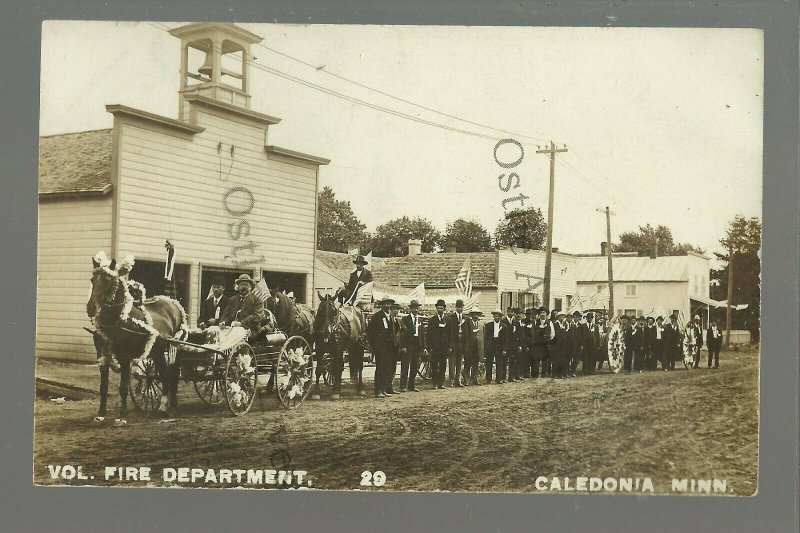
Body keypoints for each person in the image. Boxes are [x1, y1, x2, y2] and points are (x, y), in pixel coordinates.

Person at [367, 298, 399, 397]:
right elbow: (370, 332)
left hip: (390, 347)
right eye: (385, 304)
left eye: (389, 304)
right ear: (382, 305)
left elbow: (395, 330)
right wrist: (374, 346)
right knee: (380, 368)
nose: (387, 306)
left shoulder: (392, 317)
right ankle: (378, 391)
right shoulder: (377, 317)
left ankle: (384, 389)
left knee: (388, 368)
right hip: (380, 347)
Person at [399, 300, 426, 392]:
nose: (415, 310)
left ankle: (411, 385)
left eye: (417, 308)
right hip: (408, 345)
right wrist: (403, 346)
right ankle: (402, 386)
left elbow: (422, 335)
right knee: (405, 366)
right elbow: (402, 334)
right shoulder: (405, 320)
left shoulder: (420, 320)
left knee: (415, 366)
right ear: (410, 309)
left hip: (417, 346)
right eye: (414, 308)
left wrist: (424, 347)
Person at [426, 299, 451, 390]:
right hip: (435, 347)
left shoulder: (448, 320)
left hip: (444, 347)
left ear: (444, 309)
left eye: (441, 308)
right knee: (434, 366)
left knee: (443, 365)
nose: (440, 310)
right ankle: (435, 383)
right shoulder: (432, 320)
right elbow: (428, 335)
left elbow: (450, 335)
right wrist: (429, 347)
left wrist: (449, 347)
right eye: (438, 308)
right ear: (436, 309)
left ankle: (441, 383)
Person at [448, 299, 470, 387]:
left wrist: (466, 346)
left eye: (461, 307)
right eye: (458, 307)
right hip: (453, 344)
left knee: (459, 363)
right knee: (452, 363)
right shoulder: (451, 318)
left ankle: (458, 381)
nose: (460, 309)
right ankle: (451, 381)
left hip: (462, 345)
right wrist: (450, 345)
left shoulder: (466, 319)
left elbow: (468, 333)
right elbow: (448, 333)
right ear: (456, 307)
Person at [484, 309, 508, 384]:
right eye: (495, 316)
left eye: (498, 316)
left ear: (500, 317)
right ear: (493, 316)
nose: (496, 317)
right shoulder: (488, 325)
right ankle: (488, 378)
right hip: (491, 345)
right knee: (489, 362)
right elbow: (486, 338)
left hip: (499, 345)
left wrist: (504, 349)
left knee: (499, 362)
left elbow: (505, 339)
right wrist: (486, 347)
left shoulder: (504, 326)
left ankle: (499, 378)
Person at [531, 307, 554, 378]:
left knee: (545, 359)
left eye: (544, 313)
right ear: (539, 314)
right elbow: (533, 333)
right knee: (536, 359)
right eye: (541, 313)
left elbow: (552, 333)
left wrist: (548, 339)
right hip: (537, 344)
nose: (542, 314)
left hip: (546, 344)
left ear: (546, 314)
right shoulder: (535, 322)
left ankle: (544, 374)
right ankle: (535, 374)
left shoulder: (549, 322)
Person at [464, 308, 484, 385]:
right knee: (468, 363)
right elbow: (465, 336)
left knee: (476, 363)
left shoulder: (481, 325)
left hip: (477, 348)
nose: (475, 316)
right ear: (471, 315)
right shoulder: (467, 324)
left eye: (477, 314)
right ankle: (467, 379)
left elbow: (483, 338)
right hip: (469, 348)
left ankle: (475, 378)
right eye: (474, 314)